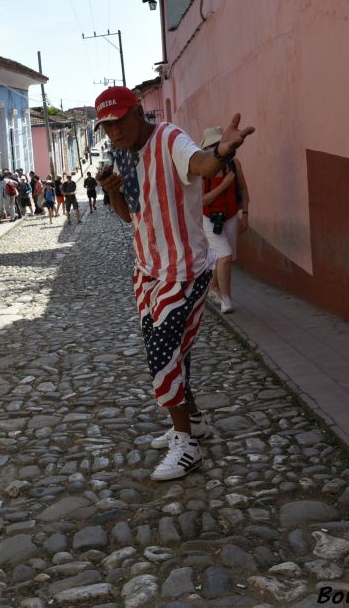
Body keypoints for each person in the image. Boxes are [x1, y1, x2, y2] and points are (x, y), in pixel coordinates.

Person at [95, 85, 255, 481]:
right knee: (177, 354)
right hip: (147, 271)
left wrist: (223, 152)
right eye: (106, 126)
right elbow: (129, 215)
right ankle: (193, 420)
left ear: (137, 112)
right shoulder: (123, 155)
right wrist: (113, 193)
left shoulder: (169, 138)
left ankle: (186, 446)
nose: (114, 132)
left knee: (161, 356)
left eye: (119, 121)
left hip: (183, 272)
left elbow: (200, 164)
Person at [199, 127, 250, 314]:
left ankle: (212, 288)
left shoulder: (234, 164)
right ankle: (226, 298)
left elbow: (243, 190)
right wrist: (224, 185)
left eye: (217, 145)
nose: (215, 149)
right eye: (211, 146)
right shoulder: (203, 170)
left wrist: (245, 214)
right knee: (225, 256)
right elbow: (202, 200)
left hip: (229, 218)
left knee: (225, 258)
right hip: (209, 219)